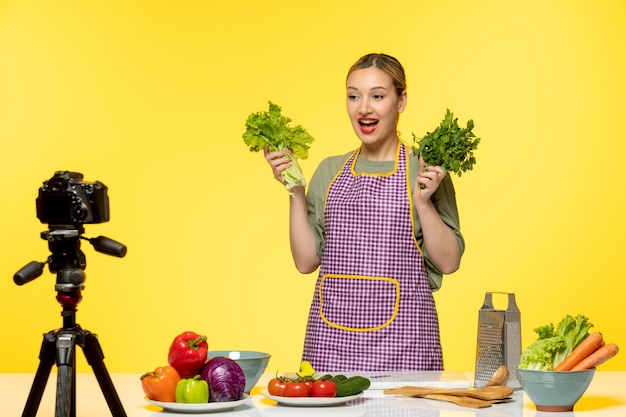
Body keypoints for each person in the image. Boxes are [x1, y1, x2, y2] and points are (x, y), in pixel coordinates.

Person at [264, 53, 464, 372]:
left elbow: (449, 262)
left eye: (378, 96)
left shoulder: (425, 169)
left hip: (405, 350)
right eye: (353, 96)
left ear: (401, 101)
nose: (364, 108)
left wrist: (424, 201)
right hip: (330, 349)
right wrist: (295, 191)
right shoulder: (330, 170)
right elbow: (306, 262)